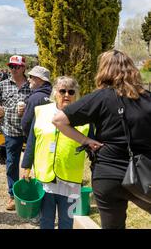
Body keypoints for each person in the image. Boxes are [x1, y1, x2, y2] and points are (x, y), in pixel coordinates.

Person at [53, 50, 151, 229]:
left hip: (107, 175)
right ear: (132, 69)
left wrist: (86, 141)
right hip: (144, 174)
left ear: (104, 70)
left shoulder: (100, 97)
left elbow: (58, 120)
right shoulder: (147, 98)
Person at [21, 76, 92, 229]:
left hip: (71, 179)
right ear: (55, 93)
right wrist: (26, 166)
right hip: (45, 177)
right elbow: (32, 141)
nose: (66, 95)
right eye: (62, 91)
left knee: (67, 221)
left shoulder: (85, 117)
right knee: (46, 220)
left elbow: (93, 146)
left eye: (71, 92)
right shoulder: (41, 112)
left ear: (76, 94)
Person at [0, 55, 31, 210]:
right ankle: (12, 196)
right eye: (11, 67)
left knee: (34, 164)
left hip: (30, 130)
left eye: (16, 67)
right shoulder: (3, 85)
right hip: (10, 130)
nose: (13, 70)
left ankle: (34, 194)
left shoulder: (32, 85)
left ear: (23, 68)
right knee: (11, 164)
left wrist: (29, 108)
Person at [21, 66, 52, 137]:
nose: (28, 79)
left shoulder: (35, 98)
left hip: (37, 138)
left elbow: (26, 123)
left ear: (38, 79)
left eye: (31, 77)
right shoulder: (55, 95)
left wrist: (30, 138)